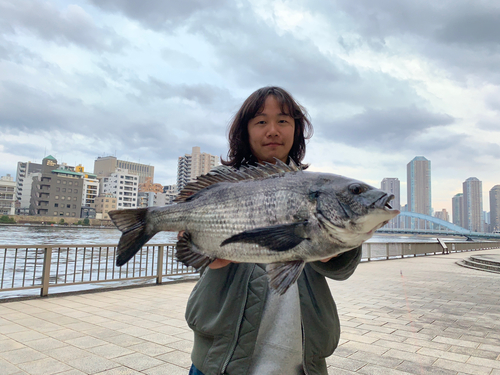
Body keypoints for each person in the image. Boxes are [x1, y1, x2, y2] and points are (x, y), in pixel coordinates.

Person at [186, 87, 362, 375]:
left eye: (283, 121)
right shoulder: (219, 184)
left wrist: (335, 249)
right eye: (260, 121)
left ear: (296, 130)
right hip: (220, 358)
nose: (272, 131)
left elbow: (342, 270)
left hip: (302, 358)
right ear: (245, 131)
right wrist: (201, 253)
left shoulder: (317, 188)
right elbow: (192, 250)